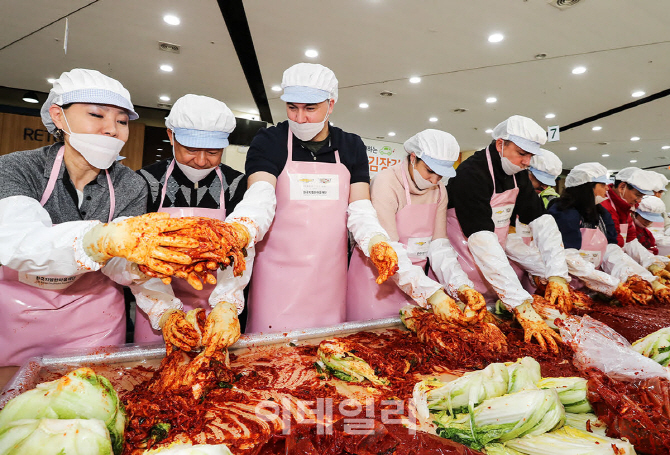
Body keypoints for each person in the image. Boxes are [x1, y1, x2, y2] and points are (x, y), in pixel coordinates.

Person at [0, 69, 207, 366]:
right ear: (59, 116)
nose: (112, 129)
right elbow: (18, 240)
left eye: (122, 121)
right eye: (97, 115)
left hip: (95, 322)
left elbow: (122, 265)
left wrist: (151, 276)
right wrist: (102, 239)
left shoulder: (129, 185)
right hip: (18, 317)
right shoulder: (17, 168)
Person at [244, 63, 399, 333]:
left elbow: (360, 207)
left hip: (329, 279)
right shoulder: (269, 141)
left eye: (310, 108)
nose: (300, 118)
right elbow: (260, 196)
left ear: (331, 104)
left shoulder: (351, 145)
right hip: (276, 283)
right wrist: (240, 228)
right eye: (292, 107)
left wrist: (375, 240)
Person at [447, 115, 571, 352]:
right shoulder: (471, 173)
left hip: (495, 270)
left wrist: (557, 273)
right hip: (459, 267)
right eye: (522, 153)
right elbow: (482, 238)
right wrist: (521, 306)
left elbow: (540, 219)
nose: (526, 162)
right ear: (500, 144)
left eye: (530, 156)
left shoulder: (517, 173)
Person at [133, 94, 247, 344]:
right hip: (154, 304)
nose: (201, 160)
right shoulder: (146, 182)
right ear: (171, 135)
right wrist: (163, 312)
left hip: (219, 304)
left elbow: (243, 253)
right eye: (191, 149)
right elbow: (135, 254)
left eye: (214, 151)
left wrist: (227, 303)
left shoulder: (236, 184)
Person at [346, 129, 485, 323]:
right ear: (413, 158)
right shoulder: (387, 182)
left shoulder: (439, 191)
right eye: (430, 171)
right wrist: (432, 294)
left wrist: (461, 285)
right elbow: (389, 249)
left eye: (441, 175)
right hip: (376, 283)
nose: (434, 181)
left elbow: (439, 247)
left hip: (418, 283)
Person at [547, 163, 670, 305]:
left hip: (594, 288)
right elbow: (569, 258)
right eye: (602, 184)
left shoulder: (601, 214)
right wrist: (612, 285)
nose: (607, 187)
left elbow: (612, 253)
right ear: (586, 187)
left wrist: (639, 278)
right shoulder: (563, 213)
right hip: (564, 287)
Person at [599, 167, 653, 247]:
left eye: (642, 197)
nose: (639, 201)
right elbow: (611, 243)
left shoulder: (626, 208)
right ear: (622, 187)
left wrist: (649, 258)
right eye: (638, 195)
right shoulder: (604, 205)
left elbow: (630, 240)